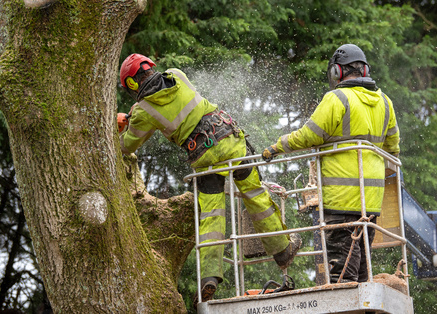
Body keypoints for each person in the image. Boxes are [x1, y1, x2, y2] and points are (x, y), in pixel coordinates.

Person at [117, 53, 302, 304]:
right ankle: (282, 250)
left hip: (203, 156)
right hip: (230, 140)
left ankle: (209, 277)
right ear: (150, 67)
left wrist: (124, 125)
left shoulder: (144, 111)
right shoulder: (177, 75)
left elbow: (127, 146)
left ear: (131, 84)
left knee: (211, 215)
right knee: (255, 194)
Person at [262, 44, 400, 283]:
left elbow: (308, 136)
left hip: (340, 202)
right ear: (365, 70)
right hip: (371, 203)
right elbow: (393, 150)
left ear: (337, 72)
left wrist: (277, 146)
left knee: (342, 276)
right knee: (360, 270)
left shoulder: (337, 98)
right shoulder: (385, 103)